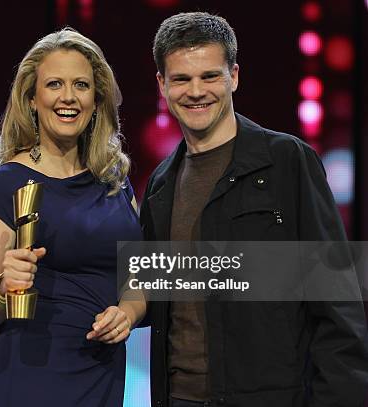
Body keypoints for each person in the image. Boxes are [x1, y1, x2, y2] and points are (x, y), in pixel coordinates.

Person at [141, 12, 368, 407]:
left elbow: (338, 303)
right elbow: (154, 302)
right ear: (162, 85)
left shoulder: (287, 161)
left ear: (235, 76)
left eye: (210, 76)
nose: (196, 91)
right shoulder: (160, 185)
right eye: (181, 79)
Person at [0, 28, 145, 406]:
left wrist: (127, 314)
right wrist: (3, 287)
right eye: (54, 84)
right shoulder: (3, 185)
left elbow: (137, 280)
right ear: (32, 99)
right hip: (31, 378)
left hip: (103, 375)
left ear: (97, 101)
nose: (68, 97)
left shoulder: (115, 182)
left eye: (81, 84)